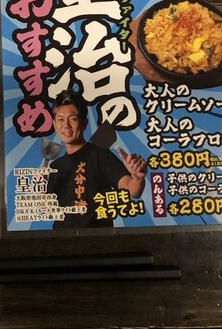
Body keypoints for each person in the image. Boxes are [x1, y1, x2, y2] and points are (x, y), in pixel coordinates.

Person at [46, 89, 148, 229]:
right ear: (54, 124)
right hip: (62, 240)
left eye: (73, 119)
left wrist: (137, 177)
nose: (66, 126)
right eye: (60, 119)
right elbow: (47, 207)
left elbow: (132, 190)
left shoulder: (100, 154)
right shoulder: (55, 166)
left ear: (84, 123)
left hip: (98, 239)